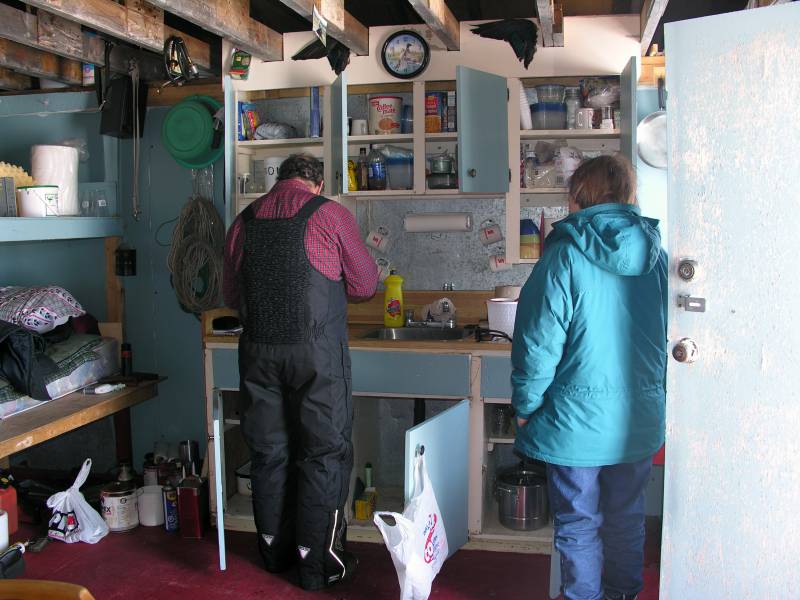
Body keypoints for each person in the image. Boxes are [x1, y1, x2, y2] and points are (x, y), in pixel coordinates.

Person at [510, 155, 667, 600]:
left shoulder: (565, 253)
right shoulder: (657, 255)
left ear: (577, 196)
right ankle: (624, 593)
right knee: (626, 517)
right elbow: (667, 336)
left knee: (579, 522)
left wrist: (526, 406)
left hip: (575, 421)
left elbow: (538, 342)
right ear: (628, 195)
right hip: (637, 416)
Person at [223, 153, 378, 591]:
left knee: (269, 454)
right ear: (318, 182)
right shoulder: (331, 215)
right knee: (323, 454)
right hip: (316, 358)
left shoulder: (243, 220)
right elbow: (365, 285)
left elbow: (230, 293)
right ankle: (317, 565)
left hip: (257, 355)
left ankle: (274, 553)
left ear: (279, 180)